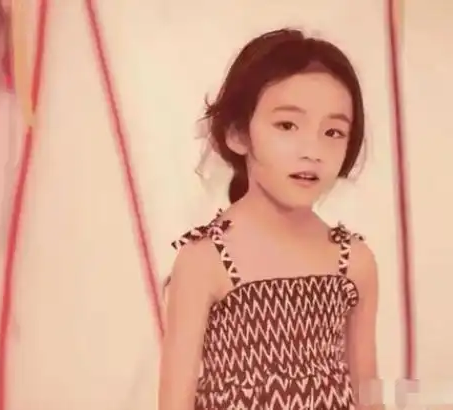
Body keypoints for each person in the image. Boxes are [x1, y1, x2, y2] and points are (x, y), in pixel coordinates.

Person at [158, 27, 380, 410]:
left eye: (333, 132)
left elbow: (368, 393)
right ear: (238, 134)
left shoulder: (355, 261)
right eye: (287, 125)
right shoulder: (205, 260)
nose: (312, 151)